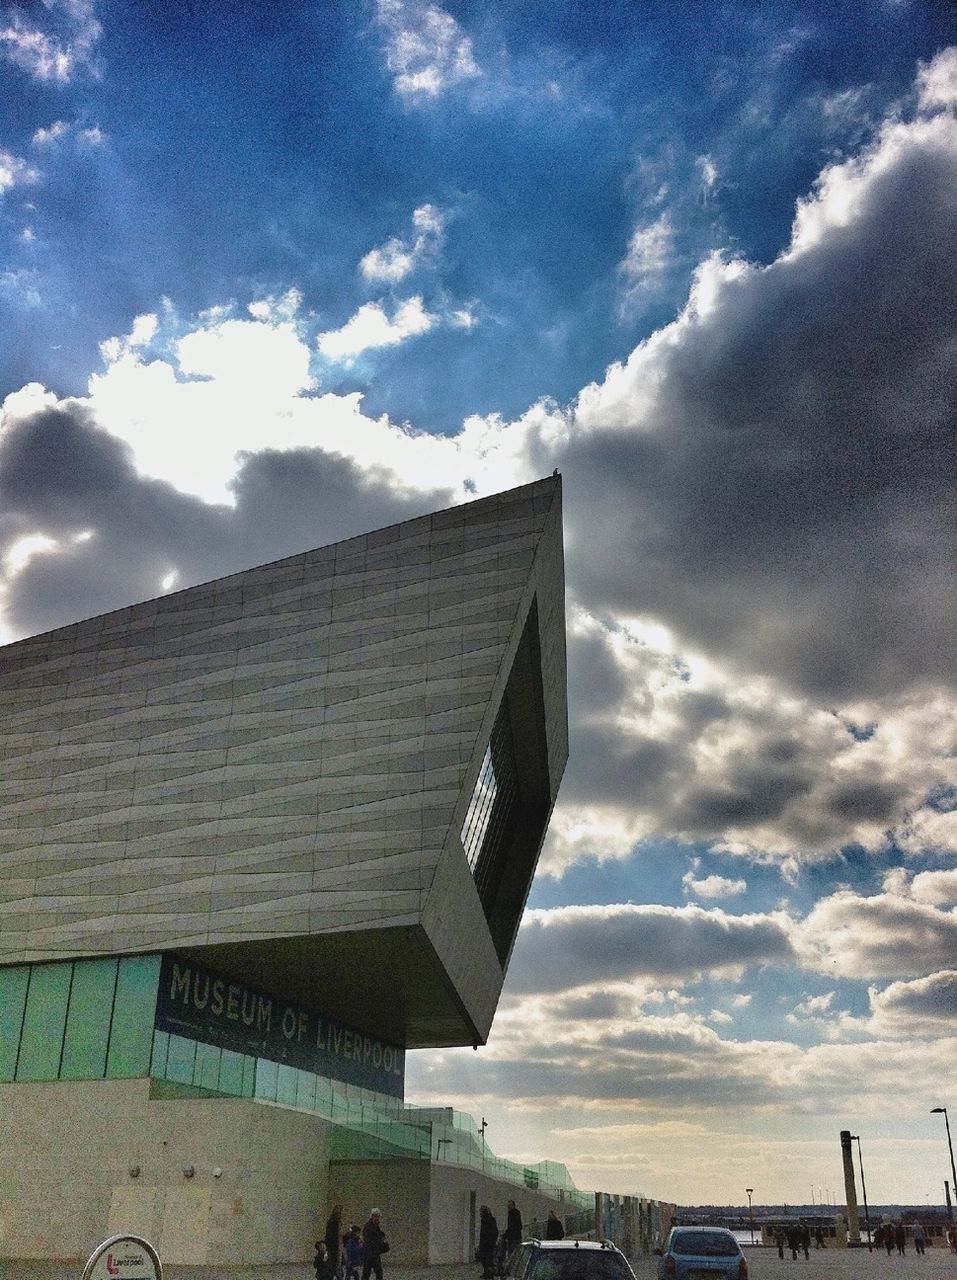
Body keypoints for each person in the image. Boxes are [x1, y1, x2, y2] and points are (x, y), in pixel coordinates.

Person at [362, 1209, 388, 1280]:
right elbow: (369, 1240)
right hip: (370, 1254)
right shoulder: (368, 1226)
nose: (377, 1218)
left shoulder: (375, 1226)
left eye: (378, 1216)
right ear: (372, 1216)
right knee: (367, 1273)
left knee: (378, 1273)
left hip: (374, 1253)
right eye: (375, 1216)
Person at [478, 1205, 499, 1280]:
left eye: (480, 1211)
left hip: (487, 1244)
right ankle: (487, 1273)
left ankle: (489, 1274)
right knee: (486, 1259)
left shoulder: (488, 1220)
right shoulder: (486, 1219)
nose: (480, 1213)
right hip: (487, 1243)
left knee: (487, 1259)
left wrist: (489, 1241)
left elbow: (493, 1232)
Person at [325, 1206, 344, 1280]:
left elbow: (340, 1236)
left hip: (338, 1247)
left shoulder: (339, 1223)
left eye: (340, 1213)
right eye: (338, 1213)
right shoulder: (332, 1223)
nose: (339, 1215)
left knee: (337, 1267)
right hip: (333, 1248)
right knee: (334, 1267)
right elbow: (329, 1236)